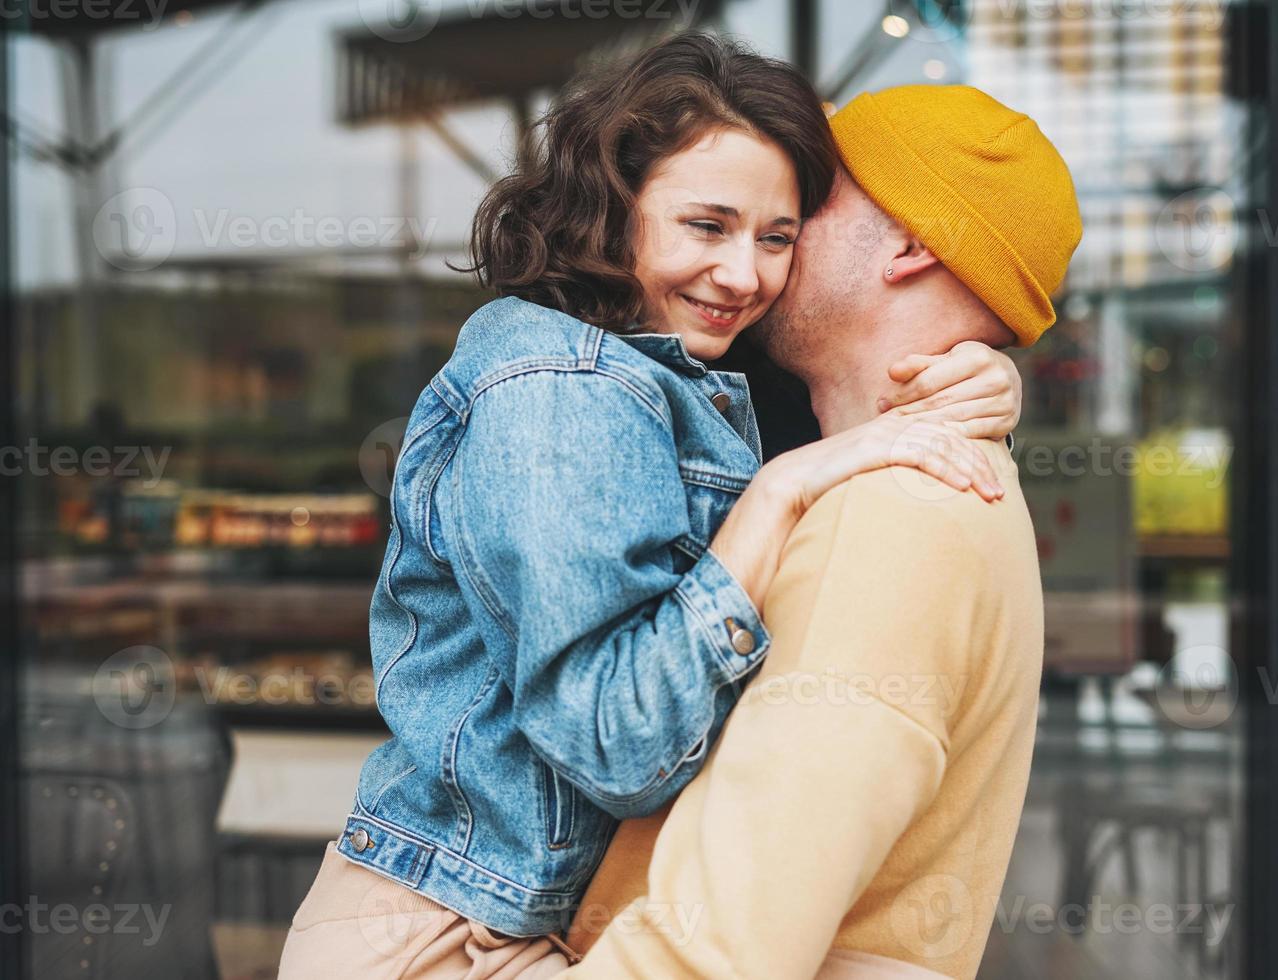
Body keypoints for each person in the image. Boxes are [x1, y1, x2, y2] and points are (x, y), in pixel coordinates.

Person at [276, 37, 1025, 980]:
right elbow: (616, 746)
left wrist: (984, 374)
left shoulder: (681, 367)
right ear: (613, 207)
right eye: (707, 225)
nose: (745, 275)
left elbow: (864, 370)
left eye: (778, 236)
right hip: (446, 933)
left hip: (519, 919)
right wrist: (778, 492)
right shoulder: (557, 385)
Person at [559, 83, 1083, 979]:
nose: (776, 220)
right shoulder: (908, 466)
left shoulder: (889, 518)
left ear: (913, 245)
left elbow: (716, 947)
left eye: (810, 191)